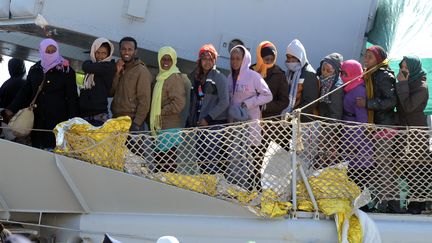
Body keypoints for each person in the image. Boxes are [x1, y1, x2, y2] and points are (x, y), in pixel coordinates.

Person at [2, 38, 79, 149]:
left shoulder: (66, 71)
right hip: (37, 121)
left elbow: (72, 98)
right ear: (42, 51)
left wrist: (73, 122)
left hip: (57, 123)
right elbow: (25, 92)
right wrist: (11, 108)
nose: (51, 53)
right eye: (48, 51)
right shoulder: (35, 69)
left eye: (53, 51)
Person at [227, 45, 272, 191]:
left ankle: (249, 190)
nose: (234, 62)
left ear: (244, 59)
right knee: (234, 158)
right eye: (232, 59)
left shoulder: (253, 76)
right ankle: (235, 189)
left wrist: (248, 103)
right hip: (234, 125)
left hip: (250, 124)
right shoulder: (229, 77)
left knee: (249, 159)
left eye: (238, 59)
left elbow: (268, 95)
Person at [358, 45, 397, 212]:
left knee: (384, 167)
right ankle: (383, 203)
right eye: (365, 57)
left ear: (379, 60)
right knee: (378, 168)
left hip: (384, 127)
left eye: (370, 57)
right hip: (375, 127)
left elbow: (391, 101)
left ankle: (390, 205)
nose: (366, 60)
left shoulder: (382, 76)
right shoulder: (370, 75)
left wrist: (368, 104)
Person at [395, 56, 429, 214]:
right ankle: (410, 201)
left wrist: (402, 84)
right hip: (403, 131)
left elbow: (408, 107)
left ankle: (418, 203)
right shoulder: (408, 83)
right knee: (406, 169)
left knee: (417, 168)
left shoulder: (421, 87)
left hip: (416, 133)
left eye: (407, 67)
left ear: (414, 68)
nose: (404, 70)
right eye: (402, 67)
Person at [188, 44, 229, 174]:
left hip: (214, 125)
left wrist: (208, 118)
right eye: (204, 58)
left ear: (215, 61)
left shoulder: (219, 77)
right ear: (200, 60)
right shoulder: (195, 77)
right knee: (200, 157)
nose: (207, 62)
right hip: (200, 124)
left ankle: (212, 186)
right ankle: (205, 184)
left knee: (211, 158)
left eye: (211, 59)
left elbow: (224, 102)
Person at [150, 46, 188, 173]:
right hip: (161, 126)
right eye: (163, 59)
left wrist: (161, 112)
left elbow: (179, 103)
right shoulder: (161, 77)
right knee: (160, 163)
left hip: (169, 129)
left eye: (169, 59)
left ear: (174, 61)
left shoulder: (174, 77)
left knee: (167, 165)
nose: (166, 62)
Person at [340, 60, 373, 194]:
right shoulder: (350, 86)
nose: (342, 76)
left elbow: (362, 118)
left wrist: (358, 140)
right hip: (349, 130)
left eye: (345, 73)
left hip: (356, 134)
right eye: (341, 73)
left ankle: (360, 202)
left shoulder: (359, 90)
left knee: (358, 170)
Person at [110, 36, 152, 131]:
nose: (126, 52)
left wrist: (137, 123)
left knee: (131, 146)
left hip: (132, 122)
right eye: (124, 49)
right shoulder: (119, 67)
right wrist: (117, 73)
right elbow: (110, 93)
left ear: (135, 51)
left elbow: (144, 100)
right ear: (120, 50)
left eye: (130, 49)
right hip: (116, 120)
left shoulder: (141, 71)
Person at [80, 37, 116, 126]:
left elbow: (86, 66)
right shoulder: (91, 65)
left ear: (108, 54)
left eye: (104, 53)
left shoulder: (109, 66)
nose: (100, 56)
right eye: (98, 53)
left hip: (99, 115)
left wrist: (89, 65)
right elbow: (86, 66)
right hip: (84, 114)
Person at [282, 39, 320, 121]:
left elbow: (310, 102)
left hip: (302, 122)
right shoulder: (291, 72)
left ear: (299, 56)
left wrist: (292, 115)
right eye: (287, 57)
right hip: (290, 119)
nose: (289, 61)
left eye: (291, 57)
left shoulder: (309, 74)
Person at [250, 41, 289, 118]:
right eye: (267, 59)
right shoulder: (251, 71)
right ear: (260, 58)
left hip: (269, 121)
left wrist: (264, 107)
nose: (270, 62)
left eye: (272, 59)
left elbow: (284, 101)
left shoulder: (280, 75)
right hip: (249, 115)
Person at [316, 53, 344, 120]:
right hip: (319, 120)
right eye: (323, 69)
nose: (324, 72)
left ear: (335, 71)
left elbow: (336, 114)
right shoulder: (320, 80)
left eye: (329, 71)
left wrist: (328, 129)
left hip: (328, 125)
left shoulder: (336, 88)